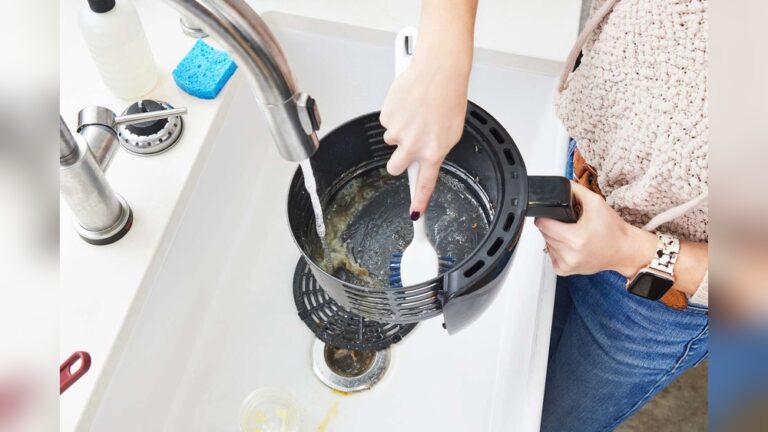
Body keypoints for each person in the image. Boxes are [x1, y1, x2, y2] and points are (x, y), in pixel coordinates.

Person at [379, 0, 709, 430]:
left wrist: (634, 250)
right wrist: (443, 48)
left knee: (542, 420)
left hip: (660, 292)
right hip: (583, 160)